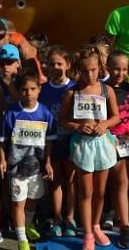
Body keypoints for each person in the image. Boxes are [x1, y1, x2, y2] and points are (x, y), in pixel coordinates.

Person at [61, 46, 119, 250]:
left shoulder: (107, 90)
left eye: (94, 70)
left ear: (100, 67)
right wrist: (78, 126)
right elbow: (63, 120)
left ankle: (96, 225)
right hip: (82, 145)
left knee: (101, 191)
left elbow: (116, 116)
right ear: (78, 70)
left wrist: (105, 124)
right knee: (86, 191)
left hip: (102, 144)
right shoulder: (72, 92)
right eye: (85, 70)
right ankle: (87, 234)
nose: (90, 74)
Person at [0, 70, 55, 250]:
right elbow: (1, 139)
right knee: (18, 202)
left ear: (39, 90)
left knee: (32, 199)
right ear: (19, 91)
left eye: (32, 89)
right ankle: (21, 238)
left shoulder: (45, 113)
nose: (28, 93)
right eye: (24, 89)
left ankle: (28, 223)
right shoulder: (12, 113)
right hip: (16, 168)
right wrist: (2, 159)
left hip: (36, 168)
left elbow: (49, 141)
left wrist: (47, 162)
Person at [38, 45, 76, 237]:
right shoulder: (42, 89)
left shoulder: (76, 87)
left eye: (59, 63)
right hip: (51, 142)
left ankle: (70, 218)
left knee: (70, 180)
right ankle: (58, 218)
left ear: (68, 65)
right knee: (55, 182)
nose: (55, 67)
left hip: (71, 140)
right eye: (52, 64)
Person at [103, 51, 129, 248]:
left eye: (124, 69)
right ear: (107, 66)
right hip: (106, 141)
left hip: (127, 145)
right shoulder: (101, 89)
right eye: (116, 68)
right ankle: (108, 215)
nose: (120, 73)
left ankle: (124, 224)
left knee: (122, 182)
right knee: (107, 184)